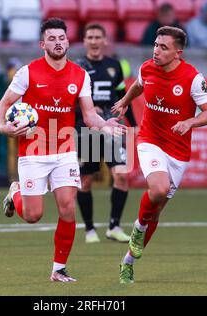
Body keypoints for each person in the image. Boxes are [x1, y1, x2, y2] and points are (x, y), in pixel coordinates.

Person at [0, 18, 126, 282]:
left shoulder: (80, 75)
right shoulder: (27, 73)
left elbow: (89, 116)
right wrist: (3, 127)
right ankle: (16, 191)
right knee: (33, 216)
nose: (58, 42)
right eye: (52, 39)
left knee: (67, 207)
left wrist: (104, 124)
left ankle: (58, 268)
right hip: (33, 151)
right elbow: (3, 106)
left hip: (65, 151)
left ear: (68, 42)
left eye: (62, 38)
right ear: (43, 44)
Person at [111, 26, 207, 284]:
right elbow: (138, 86)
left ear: (178, 53)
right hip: (150, 140)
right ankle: (137, 229)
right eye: (156, 45)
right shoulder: (147, 67)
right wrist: (125, 101)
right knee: (158, 189)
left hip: (178, 151)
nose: (156, 50)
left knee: (155, 212)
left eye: (163, 47)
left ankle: (128, 262)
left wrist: (190, 122)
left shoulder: (192, 78)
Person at [75, 23, 138, 244]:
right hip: (88, 131)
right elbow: (70, 101)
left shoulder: (115, 66)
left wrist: (133, 124)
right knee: (85, 181)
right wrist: (89, 112)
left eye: (97, 37)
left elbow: (124, 97)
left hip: (112, 129)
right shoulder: (77, 68)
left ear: (104, 41)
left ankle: (114, 226)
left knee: (122, 175)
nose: (93, 41)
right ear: (84, 41)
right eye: (89, 37)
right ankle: (90, 229)